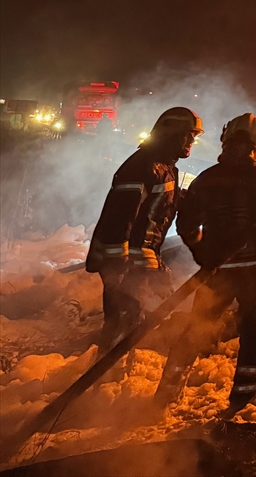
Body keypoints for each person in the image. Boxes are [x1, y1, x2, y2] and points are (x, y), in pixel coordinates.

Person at [156, 113, 256, 416]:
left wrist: (204, 254)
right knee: (255, 335)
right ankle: (242, 402)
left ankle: (165, 396)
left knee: (194, 331)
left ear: (225, 140)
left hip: (219, 273)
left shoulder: (207, 178)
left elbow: (187, 224)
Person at [85, 107, 203, 348]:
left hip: (143, 260)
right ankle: (105, 376)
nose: (192, 141)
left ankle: (122, 367)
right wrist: (119, 267)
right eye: (188, 134)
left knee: (141, 319)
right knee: (123, 323)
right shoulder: (142, 167)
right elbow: (120, 218)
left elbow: (160, 203)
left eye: (194, 136)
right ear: (170, 134)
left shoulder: (164, 166)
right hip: (127, 263)